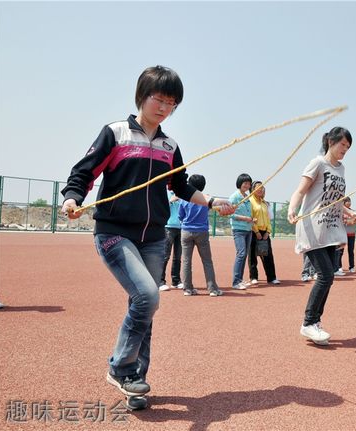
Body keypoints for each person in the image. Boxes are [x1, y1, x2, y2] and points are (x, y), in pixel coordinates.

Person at [60, 65, 234, 410]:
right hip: (115, 233)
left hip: (154, 237)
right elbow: (83, 172)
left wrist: (212, 202)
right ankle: (122, 368)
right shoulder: (116, 133)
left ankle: (135, 382)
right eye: (160, 98)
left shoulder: (170, 145)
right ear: (142, 96)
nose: (165, 107)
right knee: (148, 296)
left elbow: (182, 186)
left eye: (172, 102)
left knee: (145, 305)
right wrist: (72, 199)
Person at [288, 126, 352, 345]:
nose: (345, 149)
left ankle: (314, 323)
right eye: (342, 144)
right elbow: (300, 191)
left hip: (329, 230)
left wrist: (350, 212)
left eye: (348, 146)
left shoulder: (341, 169)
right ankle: (309, 323)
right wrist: (292, 209)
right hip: (311, 228)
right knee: (326, 275)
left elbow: (334, 200)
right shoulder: (318, 163)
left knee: (328, 275)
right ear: (330, 142)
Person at [179, 174, 224, 297]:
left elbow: (180, 216)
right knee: (207, 261)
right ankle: (212, 289)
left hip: (186, 231)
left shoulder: (184, 199)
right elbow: (213, 207)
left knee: (186, 261)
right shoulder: (206, 198)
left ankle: (187, 288)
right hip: (202, 232)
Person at [248, 181, 280, 285]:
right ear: (253, 189)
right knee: (252, 255)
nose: (261, 190)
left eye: (262, 188)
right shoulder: (250, 202)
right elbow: (251, 218)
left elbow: (268, 219)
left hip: (265, 232)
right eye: (258, 188)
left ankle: (271, 277)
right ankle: (254, 277)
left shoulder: (264, 203)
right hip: (253, 232)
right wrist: (256, 231)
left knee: (268, 255)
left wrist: (268, 232)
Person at [229, 173, 256, 290]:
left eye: (249, 183)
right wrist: (245, 219)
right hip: (238, 229)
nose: (247, 185)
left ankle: (240, 280)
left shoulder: (247, 197)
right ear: (240, 183)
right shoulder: (234, 197)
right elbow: (230, 213)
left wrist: (251, 220)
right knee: (241, 254)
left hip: (248, 229)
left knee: (244, 255)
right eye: (245, 183)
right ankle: (235, 282)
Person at [158, 190, 183, 291]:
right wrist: (171, 200)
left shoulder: (183, 193)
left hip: (181, 227)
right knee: (165, 256)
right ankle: (160, 281)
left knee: (178, 257)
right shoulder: (165, 192)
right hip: (168, 227)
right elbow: (159, 207)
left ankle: (176, 281)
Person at [334, 197, 356, 274]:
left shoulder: (352, 212)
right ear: (343, 203)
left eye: (350, 201)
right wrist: (350, 222)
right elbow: (342, 222)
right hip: (343, 234)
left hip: (351, 235)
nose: (349, 203)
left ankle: (352, 267)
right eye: (347, 201)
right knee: (340, 251)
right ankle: (339, 267)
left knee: (351, 251)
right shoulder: (340, 212)